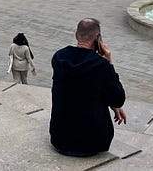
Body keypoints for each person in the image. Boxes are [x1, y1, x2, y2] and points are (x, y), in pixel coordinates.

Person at [50, 18, 126, 157]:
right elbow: (119, 99)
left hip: (59, 139)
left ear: (76, 35)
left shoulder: (59, 57)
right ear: (98, 39)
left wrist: (112, 103)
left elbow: (80, 89)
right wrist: (109, 61)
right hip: (92, 143)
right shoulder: (101, 65)